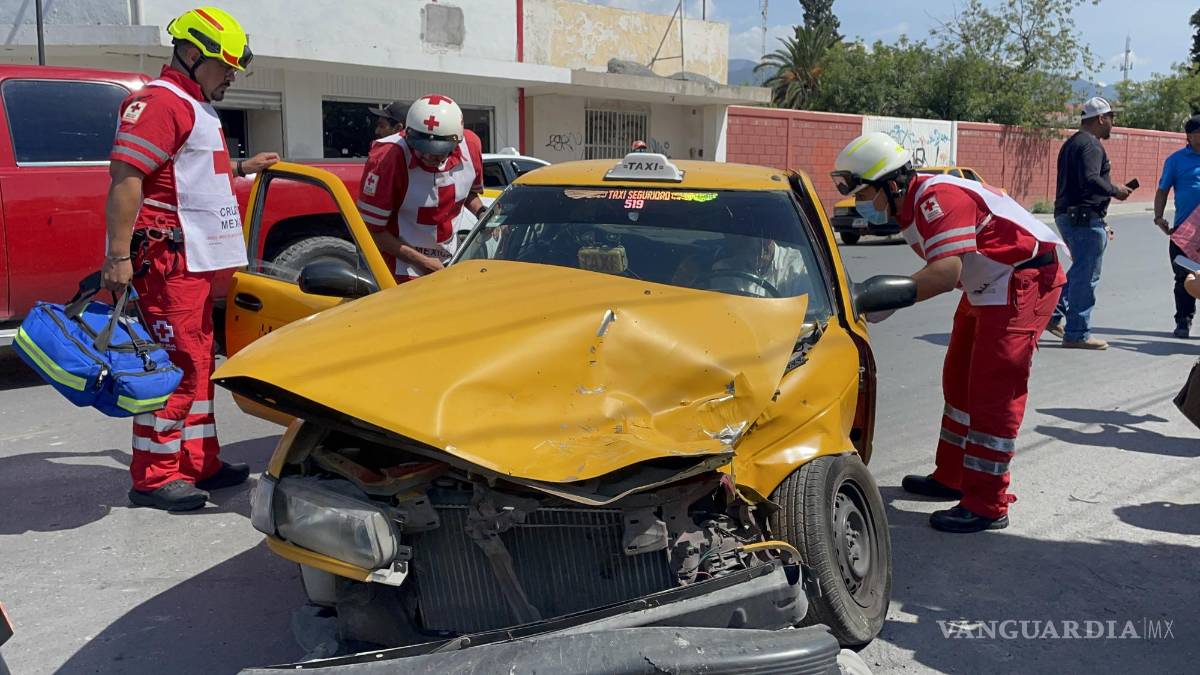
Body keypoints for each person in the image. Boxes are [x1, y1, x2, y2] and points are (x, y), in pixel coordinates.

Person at [832, 132, 1067, 533]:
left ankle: (987, 502)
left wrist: (882, 300)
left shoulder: (934, 199)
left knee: (993, 390)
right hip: (990, 282)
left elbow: (944, 273)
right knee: (959, 380)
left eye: (866, 193)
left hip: (1021, 279)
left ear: (892, 183)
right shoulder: (912, 204)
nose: (863, 204)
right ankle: (954, 476)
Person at [101, 6, 279, 511]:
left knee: (198, 362)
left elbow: (185, 174)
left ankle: (198, 459)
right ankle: (154, 477)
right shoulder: (160, 103)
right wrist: (117, 256)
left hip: (193, 263)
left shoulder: (191, 104)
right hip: (167, 262)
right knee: (174, 365)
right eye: (225, 67)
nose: (230, 78)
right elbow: (127, 178)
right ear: (192, 54)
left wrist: (243, 166)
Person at [355, 94, 487, 281]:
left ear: (456, 142)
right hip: (397, 272)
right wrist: (422, 261)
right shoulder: (387, 158)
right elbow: (370, 231)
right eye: (421, 146)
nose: (427, 155)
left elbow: (467, 192)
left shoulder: (471, 147)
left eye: (437, 150)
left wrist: (482, 213)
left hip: (448, 265)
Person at [1045, 96, 1133, 349]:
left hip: (1070, 215)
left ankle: (1052, 313)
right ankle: (1078, 333)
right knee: (1086, 277)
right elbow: (1091, 178)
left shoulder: (1072, 143)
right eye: (1112, 118)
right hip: (1083, 218)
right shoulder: (1091, 145)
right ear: (1101, 118)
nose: (1113, 124)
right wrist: (1115, 190)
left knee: (1081, 271)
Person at [1153, 114, 1200, 338]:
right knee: (1185, 278)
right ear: (1189, 136)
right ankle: (1183, 321)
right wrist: (1159, 216)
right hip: (1186, 232)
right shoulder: (1176, 160)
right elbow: (1163, 190)